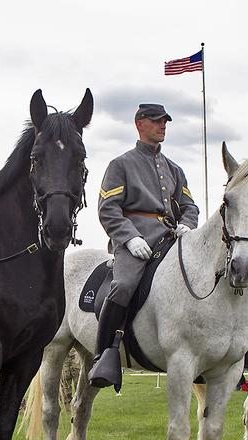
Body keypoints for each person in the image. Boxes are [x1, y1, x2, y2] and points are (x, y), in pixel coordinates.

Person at [88, 104, 199, 389]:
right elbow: (108, 209)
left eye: (165, 121)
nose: (163, 125)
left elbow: (189, 206)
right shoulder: (121, 164)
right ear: (139, 123)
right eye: (156, 121)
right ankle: (104, 354)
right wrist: (129, 237)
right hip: (134, 241)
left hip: (170, 238)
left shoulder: (174, 168)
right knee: (124, 285)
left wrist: (187, 223)